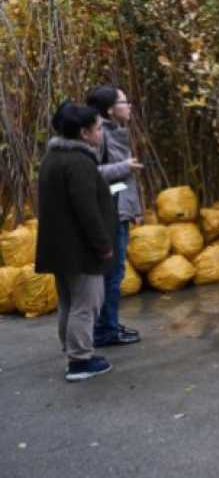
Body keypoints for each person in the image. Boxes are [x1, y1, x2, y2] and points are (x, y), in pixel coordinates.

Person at [36, 102, 118, 382]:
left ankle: (72, 351)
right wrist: (103, 244)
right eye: (98, 129)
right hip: (81, 249)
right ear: (84, 132)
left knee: (69, 303)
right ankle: (80, 360)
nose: (101, 134)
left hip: (60, 247)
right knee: (86, 304)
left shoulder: (52, 158)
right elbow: (87, 210)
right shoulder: (79, 162)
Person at [85, 85, 144, 347]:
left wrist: (135, 211)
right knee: (112, 274)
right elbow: (90, 172)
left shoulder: (117, 132)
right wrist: (124, 166)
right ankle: (105, 330)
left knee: (115, 273)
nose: (129, 105)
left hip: (120, 209)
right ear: (110, 109)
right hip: (109, 213)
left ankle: (109, 323)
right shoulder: (99, 136)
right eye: (124, 101)